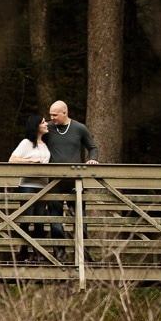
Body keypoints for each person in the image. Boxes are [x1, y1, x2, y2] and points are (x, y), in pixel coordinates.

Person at [47, 100, 99, 261]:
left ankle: (83, 255)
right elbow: (34, 141)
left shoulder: (79, 128)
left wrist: (92, 160)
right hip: (54, 181)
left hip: (74, 181)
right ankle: (59, 255)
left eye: (55, 115)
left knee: (79, 218)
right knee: (55, 220)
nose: (52, 118)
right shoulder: (47, 128)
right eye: (50, 115)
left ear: (64, 112)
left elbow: (92, 147)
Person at [9, 114, 50, 261]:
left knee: (39, 221)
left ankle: (38, 254)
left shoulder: (46, 143)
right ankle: (23, 253)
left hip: (43, 186)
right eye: (43, 122)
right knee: (26, 219)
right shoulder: (26, 143)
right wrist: (31, 161)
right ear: (36, 126)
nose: (47, 124)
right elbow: (12, 159)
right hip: (27, 185)